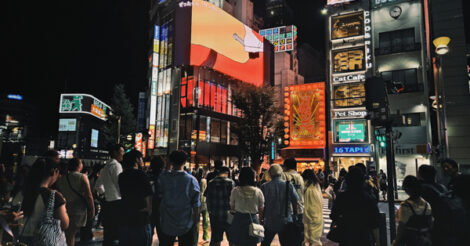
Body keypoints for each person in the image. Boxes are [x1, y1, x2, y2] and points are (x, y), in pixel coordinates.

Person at [20, 158, 69, 244]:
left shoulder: (23, 192)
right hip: (43, 241)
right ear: (54, 171)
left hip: (23, 238)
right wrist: (63, 204)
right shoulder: (53, 196)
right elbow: (64, 224)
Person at [158, 150, 200, 246]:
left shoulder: (163, 178)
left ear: (171, 161)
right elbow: (196, 204)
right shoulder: (191, 180)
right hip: (186, 223)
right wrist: (196, 220)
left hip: (167, 221)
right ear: (185, 162)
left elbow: (159, 196)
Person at [330, 166, 380, 246]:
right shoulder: (369, 199)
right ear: (362, 181)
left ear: (347, 181)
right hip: (364, 238)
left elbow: (333, 215)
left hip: (346, 237)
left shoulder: (342, 197)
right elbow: (375, 223)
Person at [55, 158, 95, 246]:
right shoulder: (82, 177)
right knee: (71, 235)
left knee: (66, 233)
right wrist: (92, 209)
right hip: (77, 209)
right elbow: (88, 195)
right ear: (79, 166)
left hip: (63, 209)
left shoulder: (62, 178)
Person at [118, 150, 153, 246]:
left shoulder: (121, 176)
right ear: (136, 160)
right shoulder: (141, 175)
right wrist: (149, 209)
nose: (142, 160)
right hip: (140, 217)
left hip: (126, 216)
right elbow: (148, 194)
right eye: (141, 158)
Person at [260, 164, 298, 246]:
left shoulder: (264, 186)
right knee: (286, 243)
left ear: (270, 173)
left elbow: (261, 205)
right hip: (285, 220)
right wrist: (295, 214)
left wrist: (261, 218)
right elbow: (295, 200)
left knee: (265, 243)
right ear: (281, 173)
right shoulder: (288, 185)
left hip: (270, 220)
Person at [94, 144, 124, 246]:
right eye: (121, 151)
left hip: (107, 202)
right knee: (116, 231)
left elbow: (98, 185)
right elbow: (119, 184)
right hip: (117, 202)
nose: (123, 154)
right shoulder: (116, 165)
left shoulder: (106, 166)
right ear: (115, 152)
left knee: (108, 232)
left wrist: (104, 195)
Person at [228, 167, 264, 246]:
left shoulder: (235, 190)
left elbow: (232, 207)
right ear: (252, 177)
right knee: (252, 243)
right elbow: (261, 209)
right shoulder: (258, 191)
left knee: (238, 242)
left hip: (238, 220)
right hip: (253, 220)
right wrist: (260, 221)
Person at [393, 176, 433, 246]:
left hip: (411, 241)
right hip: (425, 241)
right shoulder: (427, 205)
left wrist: (396, 242)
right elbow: (431, 224)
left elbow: (401, 227)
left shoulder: (406, 206)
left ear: (407, 189)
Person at [204, 166, 235, 246]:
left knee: (215, 240)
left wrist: (210, 211)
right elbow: (234, 200)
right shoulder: (231, 183)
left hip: (215, 215)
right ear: (227, 173)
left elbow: (207, 198)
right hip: (229, 216)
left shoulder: (211, 182)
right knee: (232, 240)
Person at [281, 157, 305, 246]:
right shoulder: (300, 177)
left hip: (287, 211)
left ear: (286, 166)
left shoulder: (283, 175)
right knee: (297, 236)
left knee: (285, 238)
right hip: (299, 209)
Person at [302, 169, 323, 246]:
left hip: (307, 213)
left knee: (306, 235)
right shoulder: (316, 185)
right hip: (317, 213)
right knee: (315, 238)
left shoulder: (304, 186)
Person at [149, 156, 165, 242]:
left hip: (149, 208)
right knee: (163, 236)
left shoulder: (147, 176)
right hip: (162, 209)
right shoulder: (166, 176)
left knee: (148, 234)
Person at [194, 169, 209, 244]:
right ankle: (205, 236)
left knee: (196, 221)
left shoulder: (195, 180)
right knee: (205, 220)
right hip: (204, 202)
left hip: (197, 202)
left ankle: (195, 238)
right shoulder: (204, 181)